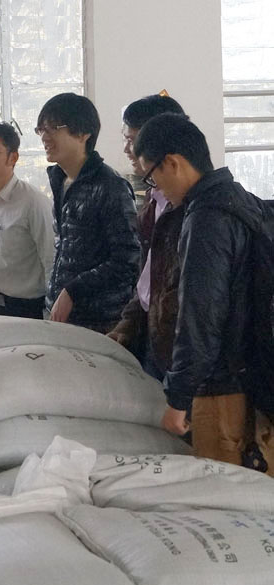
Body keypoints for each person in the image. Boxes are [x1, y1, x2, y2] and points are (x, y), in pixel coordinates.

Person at [133, 112, 260, 465]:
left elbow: (201, 316)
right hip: (250, 378)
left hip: (220, 391)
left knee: (222, 490)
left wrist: (179, 397)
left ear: (172, 163)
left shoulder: (206, 219)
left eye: (151, 176)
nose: (154, 188)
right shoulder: (239, 200)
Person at [39, 93, 140, 334]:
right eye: (40, 129)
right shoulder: (60, 181)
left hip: (100, 321)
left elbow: (127, 260)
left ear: (83, 133)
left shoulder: (111, 186)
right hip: (64, 315)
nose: (44, 137)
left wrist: (73, 290)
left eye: (53, 128)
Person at [108, 94, 187, 380]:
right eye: (126, 139)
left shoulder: (194, 209)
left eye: (133, 140)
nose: (128, 150)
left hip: (180, 352)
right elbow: (148, 279)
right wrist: (128, 324)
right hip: (152, 336)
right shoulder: (154, 200)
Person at [0, 121, 54, 318]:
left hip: (30, 309)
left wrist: (51, 315)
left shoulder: (32, 202)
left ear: (13, 157)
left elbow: (51, 260)